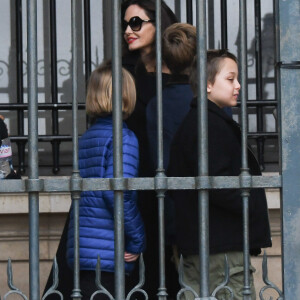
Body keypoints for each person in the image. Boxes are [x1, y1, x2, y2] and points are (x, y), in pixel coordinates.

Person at [168, 49, 272, 300]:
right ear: (207, 83)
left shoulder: (201, 121)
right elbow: (217, 183)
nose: (237, 86)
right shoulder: (208, 124)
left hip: (208, 245)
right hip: (219, 249)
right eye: (230, 78)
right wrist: (250, 202)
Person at [57, 61, 144, 300]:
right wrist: (137, 237)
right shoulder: (124, 137)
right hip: (108, 251)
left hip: (82, 248)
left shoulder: (88, 137)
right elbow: (118, 192)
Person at [121, 1, 179, 298]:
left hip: (175, 187)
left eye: (136, 23)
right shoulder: (120, 74)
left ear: (159, 24)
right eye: (125, 24)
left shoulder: (184, 72)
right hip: (133, 186)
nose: (128, 31)